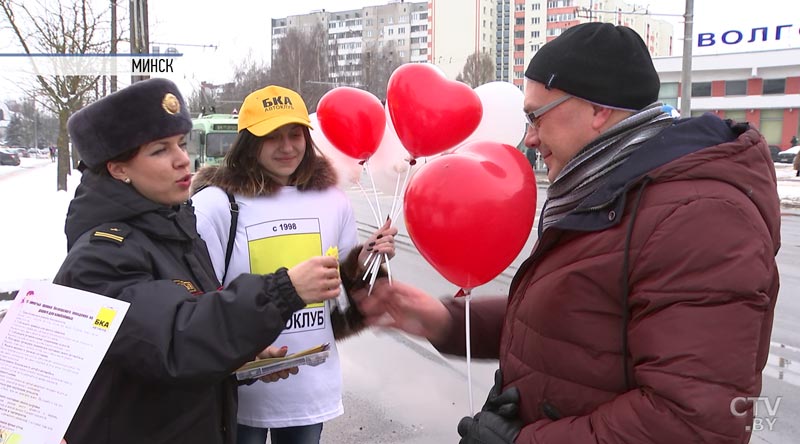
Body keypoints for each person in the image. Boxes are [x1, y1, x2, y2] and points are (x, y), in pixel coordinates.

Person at [357, 23, 781, 443]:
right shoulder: (609, 188)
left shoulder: (699, 217)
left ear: (598, 110)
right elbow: (572, 317)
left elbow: (688, 424)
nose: (529, 137)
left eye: (535, 116)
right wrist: (447, 322)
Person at [54, 78, 343, 444]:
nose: (181, 159)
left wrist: (240, 356)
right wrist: (282, 290)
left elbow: (187, 336)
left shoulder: (174, 230)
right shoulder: (100, 256)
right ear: (117, 169)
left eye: (181, 144)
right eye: (160, 150)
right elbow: (173, 340)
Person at [191, 84, 397, 444]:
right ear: (249, 142)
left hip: (309, 387)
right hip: (240, 389)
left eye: (295, 134)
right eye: (272, 136)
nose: (287, 147)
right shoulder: (215, 203)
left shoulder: (333, 200)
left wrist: (366, 258)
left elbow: (345, 285)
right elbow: (196, 295)